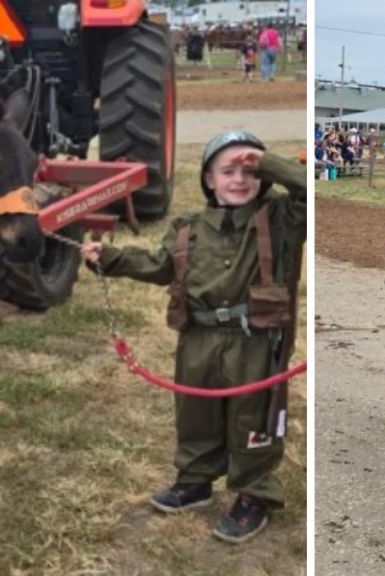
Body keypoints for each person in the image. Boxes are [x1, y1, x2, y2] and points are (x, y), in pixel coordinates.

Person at [80, 131, 306, 544]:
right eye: (228, 171)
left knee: (251, 416)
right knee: (195, 412)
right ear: (208, 179)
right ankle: (196, 480)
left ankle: (254, 493)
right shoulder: (189, 227)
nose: (239, 179)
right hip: (198, 338)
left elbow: (308, 189)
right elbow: (158, 264)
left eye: (249, 171)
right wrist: (109, 259)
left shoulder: (282, 218)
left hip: (255, 341)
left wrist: (266, 160)